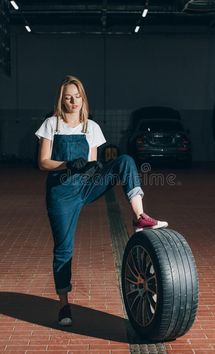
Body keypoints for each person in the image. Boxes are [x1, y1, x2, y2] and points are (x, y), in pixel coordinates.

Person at [35, 75, 168, 326]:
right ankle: (64, 305)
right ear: (61, 100)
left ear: (83, 97)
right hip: (61, 192)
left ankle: (140, 215)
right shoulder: (51, 124)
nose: (73, 101)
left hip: (86, 184)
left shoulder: (91, 127)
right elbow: (42, 162)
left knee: (125, 161)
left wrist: (95, 169)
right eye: (68, 97)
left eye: (77, 96)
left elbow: (94, 162)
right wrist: (65, 164)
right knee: (64, 249)